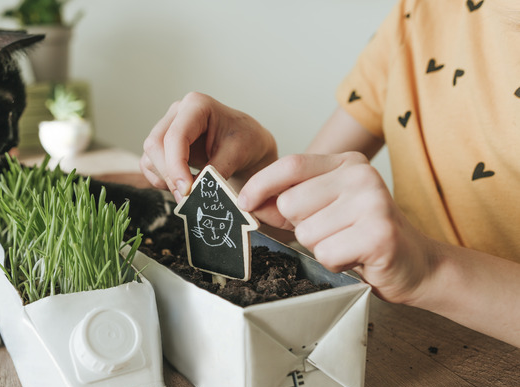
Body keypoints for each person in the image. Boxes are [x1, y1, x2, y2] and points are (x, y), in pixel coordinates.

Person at [139, 0, 520, 348]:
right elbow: (298, 220)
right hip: (407, 336)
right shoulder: (421, 13)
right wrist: (252, 173)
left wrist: (432, 271)